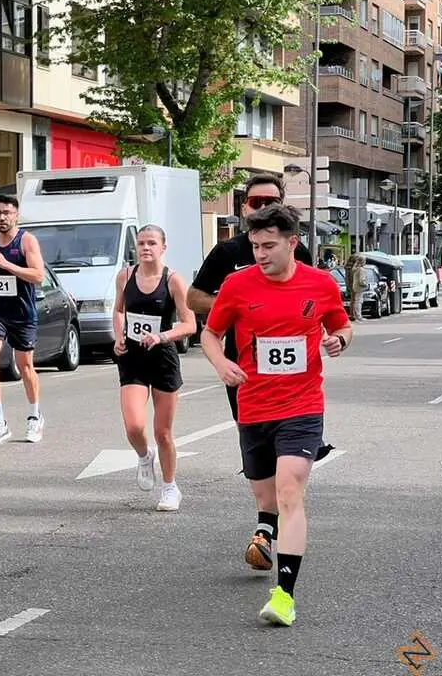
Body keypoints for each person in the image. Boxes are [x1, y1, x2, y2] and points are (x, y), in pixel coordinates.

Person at [200, 203, 352, 627]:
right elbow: (209, 333)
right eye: (254, 246)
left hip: (302, 405)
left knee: (289, 492)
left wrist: (339, 340)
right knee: (266, 497)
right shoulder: (237, 285)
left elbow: (342, 325)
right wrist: (220, 363)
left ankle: (285, 594)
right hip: (253, 405)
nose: (260, 254)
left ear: (293, 243)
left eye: (269, 246)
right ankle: (265, 528)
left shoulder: (320, 284)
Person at [187, 173, 318, 573]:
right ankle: (268, 517)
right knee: (260, 455)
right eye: (256, 202)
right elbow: (194, 298)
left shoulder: (301, 252)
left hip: (297, 381)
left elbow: (316, 300)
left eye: (271, 201)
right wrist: (234, 303)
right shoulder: (228, 252)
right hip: (245, 371)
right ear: (244, 206)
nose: (262, 209)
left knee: (287, 466)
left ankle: (267, 528)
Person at [112, 225, 197, 511]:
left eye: (151, 243)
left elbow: (190, 325)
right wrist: (119, 336)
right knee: (134, 425)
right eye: (141, 244)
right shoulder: (125, 276)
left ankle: (170, 487)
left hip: (162, 358)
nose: (146, 248)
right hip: (133, 356)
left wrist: (161, 336)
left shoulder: (173, 281)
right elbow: (119, 309)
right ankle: (143, 456)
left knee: (163, 432)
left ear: (163, 247)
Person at [0, 194, 46, 447]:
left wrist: (8, 265)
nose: (2, 217)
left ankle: (35, 416)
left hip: (22, 313)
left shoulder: (26, 241)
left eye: (7, 213)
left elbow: (38, 276)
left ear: (16, 215)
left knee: (25, 367)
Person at [346, 254, 368, 321]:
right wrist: (366, 285)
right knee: (358, 301)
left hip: (354, 286)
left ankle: (355, 315)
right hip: (359, 287)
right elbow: (362, 280)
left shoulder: (354, 269)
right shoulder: (361, 269)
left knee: (355, 301)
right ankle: (358, 316)